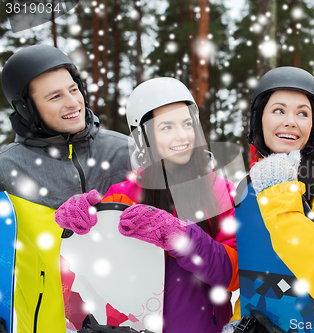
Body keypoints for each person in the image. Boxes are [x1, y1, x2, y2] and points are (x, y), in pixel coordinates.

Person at [55, 77, 239, 333]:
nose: (182, 135)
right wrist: (76, 226)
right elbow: (88, 268)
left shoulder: (220, 191)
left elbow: (233, 274)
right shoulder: (123, 195)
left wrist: (181, 238)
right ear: (143, 138)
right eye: (166, 127)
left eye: (188, 124)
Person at [0, 44, 131, 332]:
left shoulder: (125, 153)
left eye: (74, 90)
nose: (73, 103)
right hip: (47, 324)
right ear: (27, 108)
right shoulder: (7, 169)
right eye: (55, 96)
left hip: (129, 321)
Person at [240, 66, 314, 332]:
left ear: (313, 125)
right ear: (259, 120)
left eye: (302, 113)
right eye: (279, 110)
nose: (290, 121)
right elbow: (253, 275)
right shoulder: (249, 186)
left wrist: (280, 196)